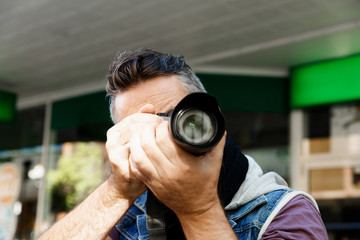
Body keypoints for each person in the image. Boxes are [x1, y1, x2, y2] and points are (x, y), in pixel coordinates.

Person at [39, 48, 328, 240]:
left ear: (213, 121)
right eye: (142, 130)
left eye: (177, 119)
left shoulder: (286, 212)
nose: (162, 138)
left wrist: (199, 210)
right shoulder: (130, 212)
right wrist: (117, 190)